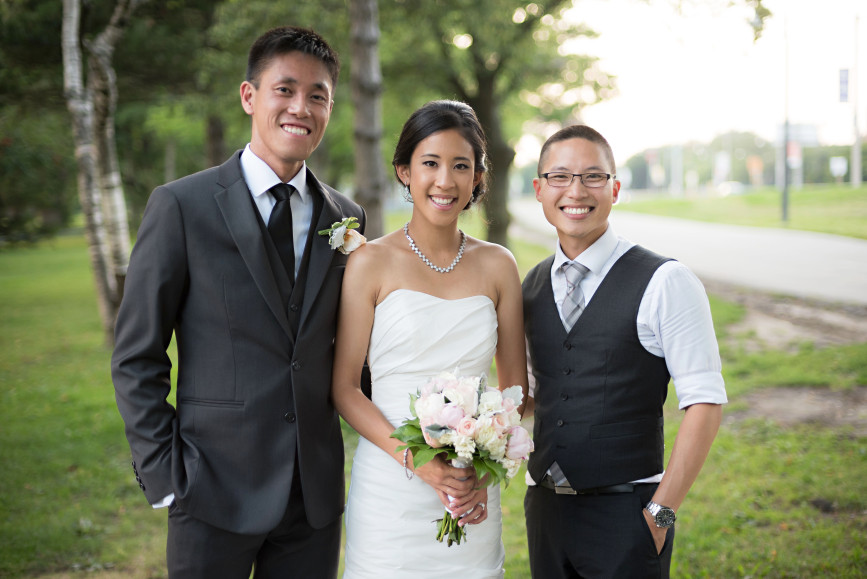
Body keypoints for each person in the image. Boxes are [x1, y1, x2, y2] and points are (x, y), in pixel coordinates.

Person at [111, 26, 366, 578]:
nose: (301, 108)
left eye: (317, 95)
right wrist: (164, 475)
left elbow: (353, 350)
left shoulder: (345, 218)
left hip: (313, 499)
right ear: (250, 96)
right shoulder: (181, 206)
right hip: (209, 491)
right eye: (285, 89)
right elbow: (137, 355)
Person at [330, 100, 528, 578]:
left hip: (470, 492)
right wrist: (417, 462)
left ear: (478, 177)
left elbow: (516, 391)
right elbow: (345, 389)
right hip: (390, 488)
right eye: (430, 164)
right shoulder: (369, 263)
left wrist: (481, 475)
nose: (446, 181)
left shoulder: (499, 265)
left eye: (462, 166)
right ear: (404, 171)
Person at [522, 125, 727, 578]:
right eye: (559, 177)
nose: (576, 190)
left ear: (615, 188)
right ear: (539, 189)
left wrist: (662, 516)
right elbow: (541, 392)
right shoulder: (531, 286)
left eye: (593, 177)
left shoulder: (666, 281)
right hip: (545, 511)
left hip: (629, 514)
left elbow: (705, 403)